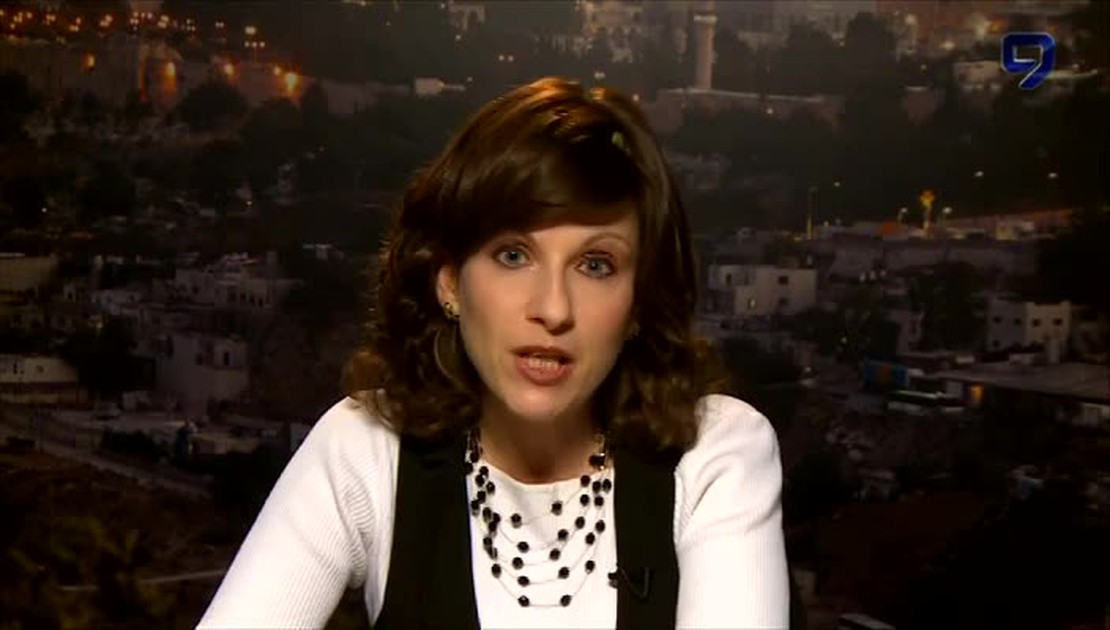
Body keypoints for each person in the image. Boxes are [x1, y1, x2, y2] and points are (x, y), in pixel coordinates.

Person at [198, 77, 789, 629]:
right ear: (449, 280)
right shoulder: (366, 448)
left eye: (595, 265)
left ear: (638, 301)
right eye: (513, 255)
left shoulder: (716, 454)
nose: (553, 308)